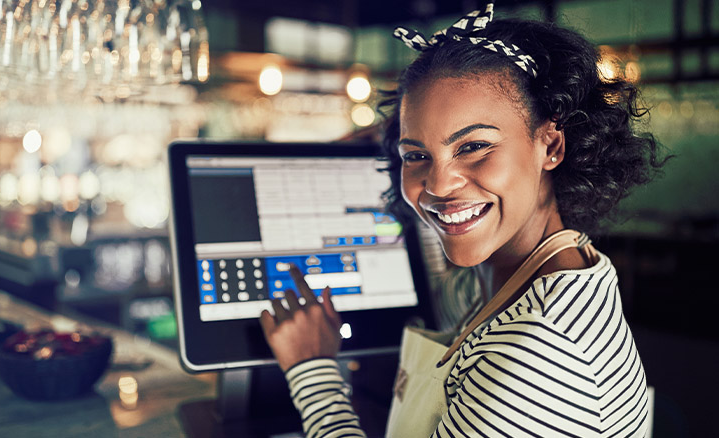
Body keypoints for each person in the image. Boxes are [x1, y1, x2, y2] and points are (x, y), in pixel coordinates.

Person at [259, 1, 665, 436]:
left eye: (473, 146)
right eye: (416, 155)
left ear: (551, 145)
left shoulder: (540, 357)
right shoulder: (513, 273)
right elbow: (440, 279)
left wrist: (312, 370)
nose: (438, 185)